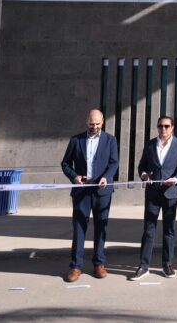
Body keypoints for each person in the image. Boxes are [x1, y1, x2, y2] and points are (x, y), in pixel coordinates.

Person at [61, 109, 119, 282]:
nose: (94, 127)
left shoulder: (110, 140)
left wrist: (106, 177)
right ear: (87, 122)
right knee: (79, 228)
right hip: (82, 190)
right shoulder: (76, 140)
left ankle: (99, 264)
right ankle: (76, 266)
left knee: (101, 227)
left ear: (103, 122)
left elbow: (114, 163)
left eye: (98, 124)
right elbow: (65, 163)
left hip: (102, 191)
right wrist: (74, 177)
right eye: (92, 124)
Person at [129, 116, 177, 281]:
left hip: (170, 193)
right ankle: (144, 266)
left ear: (172, 127)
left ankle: (167, 264)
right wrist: (143, 175)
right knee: (149, 230)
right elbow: (142, 165)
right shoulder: (150, 145)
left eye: (167, 126)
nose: (163, 129)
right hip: (153, 194)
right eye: (160, 126)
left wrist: (175, 179)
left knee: (169, 230)